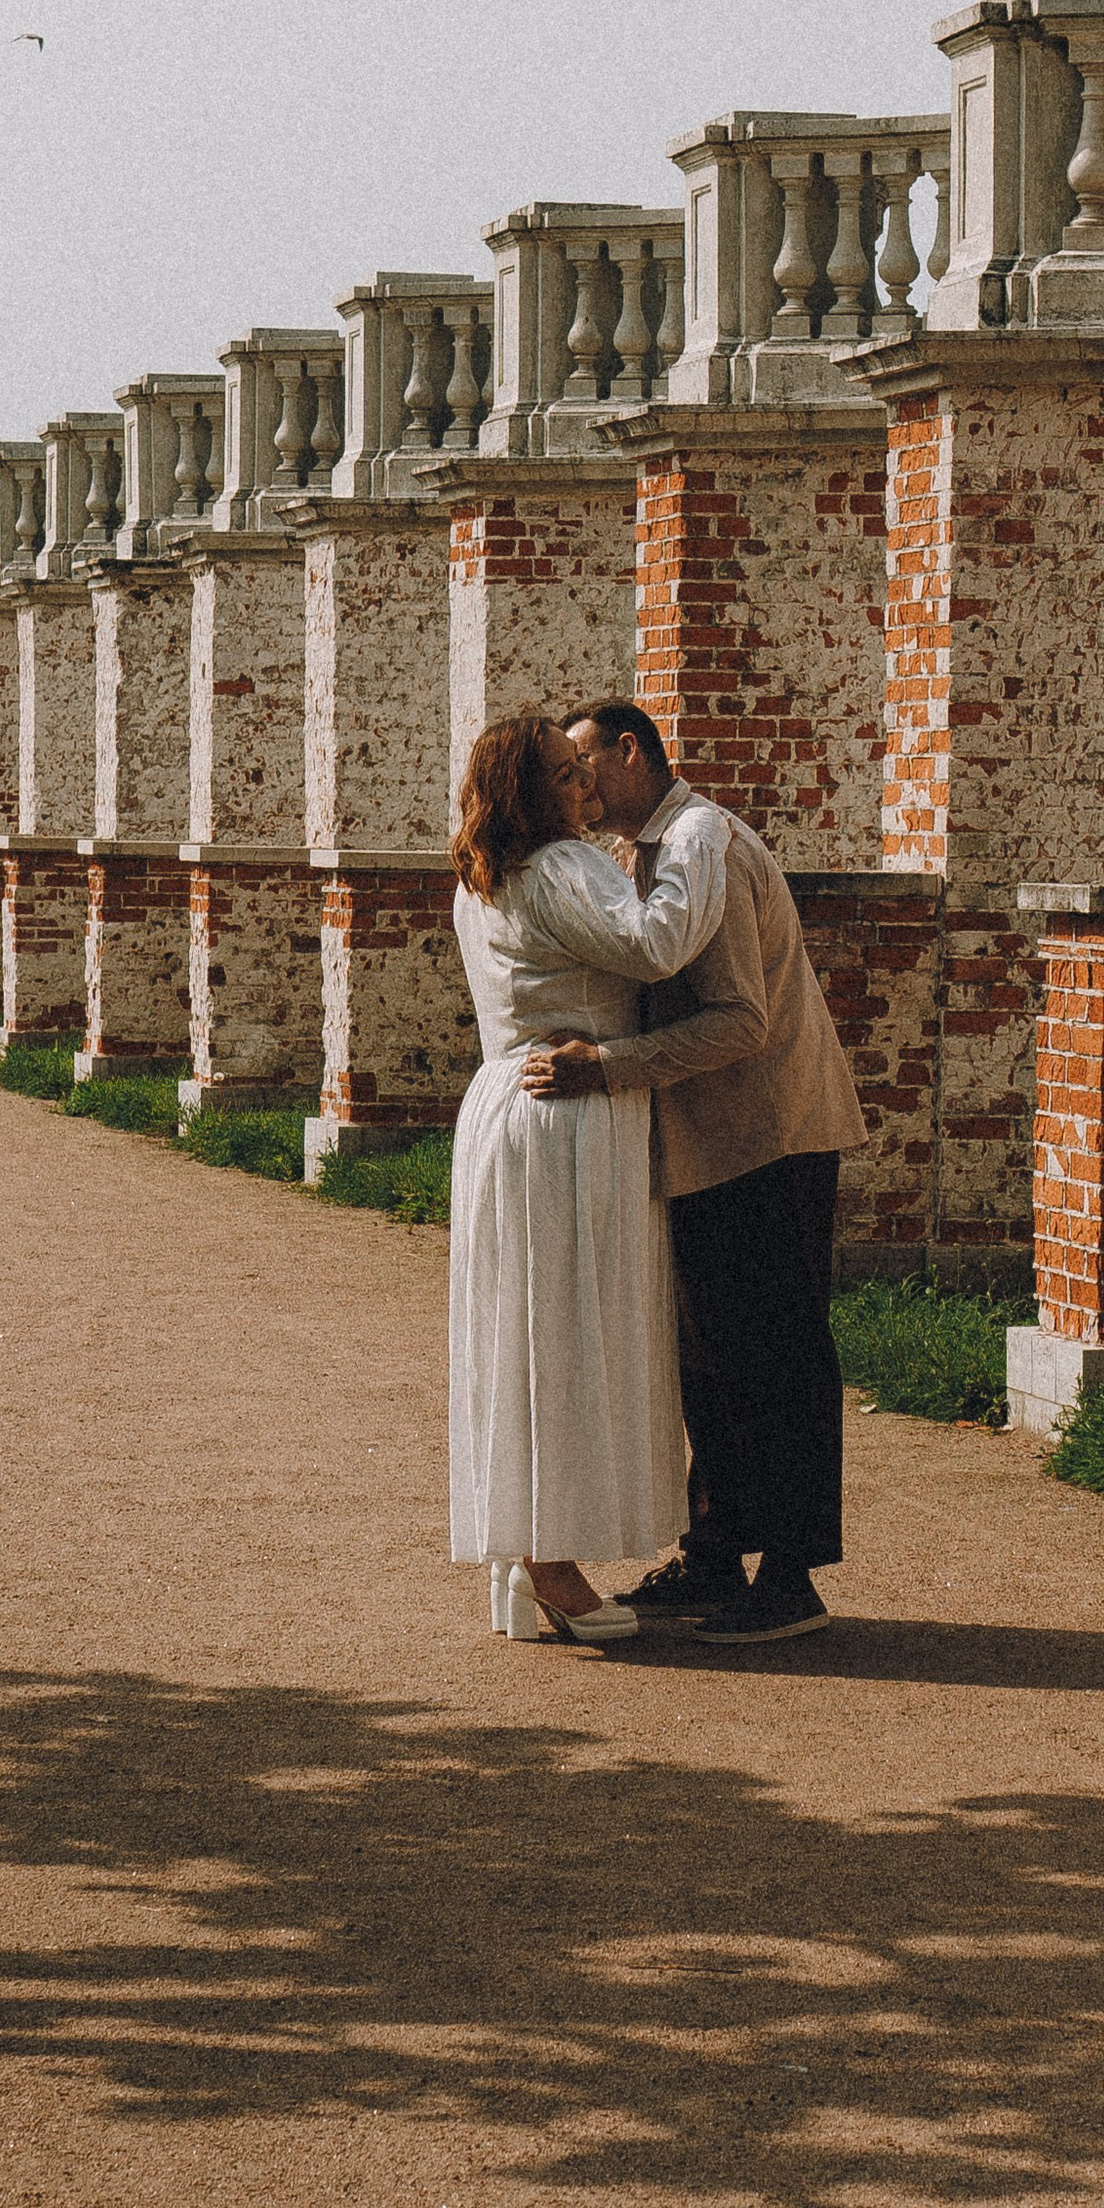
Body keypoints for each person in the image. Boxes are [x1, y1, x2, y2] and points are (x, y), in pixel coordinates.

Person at [523, 703, 864, 1642]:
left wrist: (608, 1066)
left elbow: (741, 1020)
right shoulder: (645, 851)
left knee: (777, 1358)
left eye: (584, 762)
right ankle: (714, 1554)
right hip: (708, 1142)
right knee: (708, 1360)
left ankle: (790, 1576)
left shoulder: (703, 844)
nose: (577, 784)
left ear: (630, 751)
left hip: (771, 1134)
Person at [446, 712, 729, 1649]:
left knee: (525, 1331)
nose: (585, 786)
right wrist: (695, 839)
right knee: (566, 1337)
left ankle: (521, 1550)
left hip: (505, 1106)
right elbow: (657, 944)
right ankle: (551, 1565)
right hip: (567, 1117)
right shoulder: (562, 867)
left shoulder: (483, 879)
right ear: (534, 793)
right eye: (566, 775)